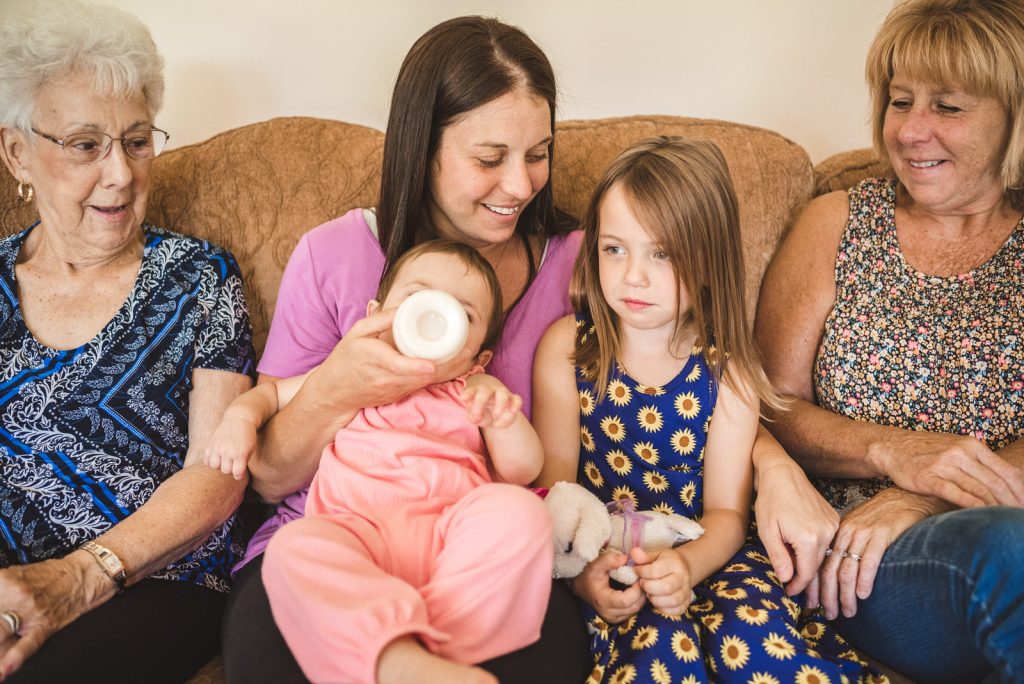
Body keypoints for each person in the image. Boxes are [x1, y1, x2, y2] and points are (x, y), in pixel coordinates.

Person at [222, 15, 840, 684]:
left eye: (538, 153)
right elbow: (268, 478)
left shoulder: (589, 265)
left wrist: (776, 466)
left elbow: (680, 367)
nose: (520, 185)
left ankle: (421, 655)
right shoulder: (334, 256)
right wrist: (340, 385)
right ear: (421, 147)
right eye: (490, 158)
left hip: (480, 553)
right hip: (344, 532)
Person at [534, 136, 880, 682]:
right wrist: (583, 576)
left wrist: (687, 567)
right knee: (661, 655)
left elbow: (725, 516)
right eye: (615, 248)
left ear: (706, 260)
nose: (633, 276)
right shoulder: (567, 350)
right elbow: (559, 499)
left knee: (759, 653)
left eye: (662, 253)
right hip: (613, 557)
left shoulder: (729, 370)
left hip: (712, 556)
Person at [756, 0, 1024, 681]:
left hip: (984, 525)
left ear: (1013, 118)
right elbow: (769, 404)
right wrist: (893, 453)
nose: (910, 130)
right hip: (861, 559)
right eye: (900, 101)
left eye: (949, 107)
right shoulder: (835, 224)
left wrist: (935, 492)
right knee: (1007, 552)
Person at [0, 2, 254, 682]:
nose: (121, 173)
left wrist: (82, 576)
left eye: (137, 141)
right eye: (87, 145)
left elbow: (217, 474)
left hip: (151, 583)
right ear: (18, 151)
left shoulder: (200, 277)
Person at [207, 239, 552, 683]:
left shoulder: (474, 389)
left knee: (521, 512)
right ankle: (394, 658)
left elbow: (522, 470)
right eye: (418, 299)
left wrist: (502, 416)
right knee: (294, 550)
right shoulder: (350, 371)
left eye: (462, 316)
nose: (436, 317)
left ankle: (432, 655)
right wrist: (238, 419)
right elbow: (270, 394)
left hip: (448, 541)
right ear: (375, 316)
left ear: (478, 355)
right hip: (355, 535)